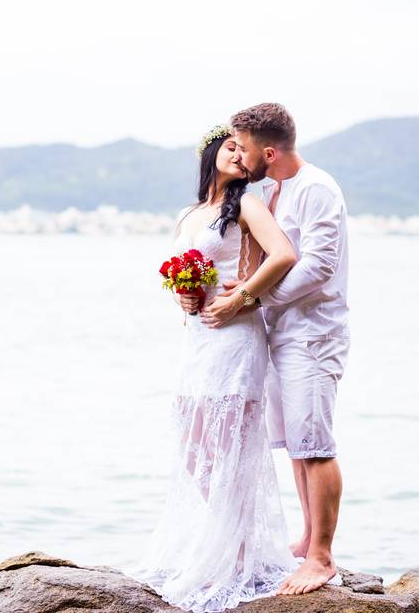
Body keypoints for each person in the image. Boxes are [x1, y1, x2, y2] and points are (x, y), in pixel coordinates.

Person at [126, 123, 300, 612]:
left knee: (230, 446)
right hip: (198, 338)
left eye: (243, 151)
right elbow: (192, 272)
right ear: (209, 153)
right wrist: (185, 294)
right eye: (230, 147)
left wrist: (241, 298)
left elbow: (284, 254)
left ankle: (239, 555)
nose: (239, 156)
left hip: (236, 335)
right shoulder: (190, 214)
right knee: (194, 443)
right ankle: (228, 541)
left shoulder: (246, 203)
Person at [202, 102, 351, 595]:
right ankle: (309, 538)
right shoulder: (273, 190)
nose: (238, 156)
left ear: (269, 150)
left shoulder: (317, 189)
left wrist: (253, 298)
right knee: (294, 444)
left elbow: (318, 267)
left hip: (313, 334)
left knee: (317, 444)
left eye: (243, 148)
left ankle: (322, 557)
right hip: (279, 333)